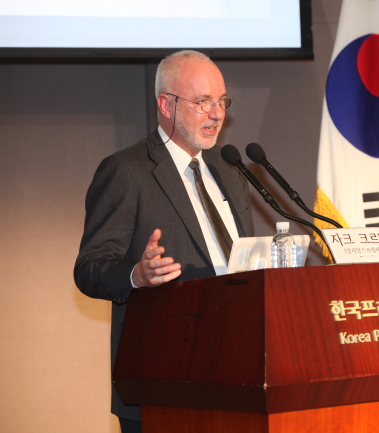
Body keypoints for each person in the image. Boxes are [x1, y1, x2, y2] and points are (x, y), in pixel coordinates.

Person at [74, 50, 254, 433]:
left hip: (237, 372)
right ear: (166, 104)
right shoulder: (126, 171)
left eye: (221, 101)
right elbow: (89, 269)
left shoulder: (229, 168)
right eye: (203, 102)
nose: (217, 114)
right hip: (163, 378)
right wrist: (137, 275)